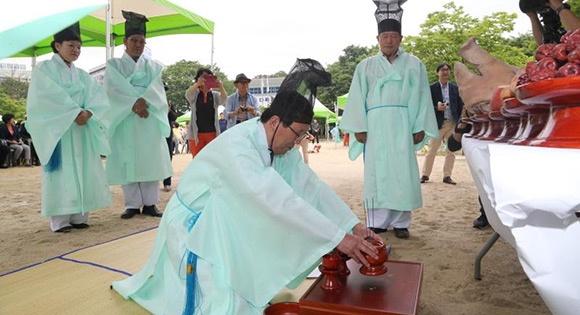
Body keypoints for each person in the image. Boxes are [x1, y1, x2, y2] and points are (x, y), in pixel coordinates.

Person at [111, 90, 382, 314]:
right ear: (276, 122)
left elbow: (311, 187)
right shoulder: (238, 149)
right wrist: (337, 238)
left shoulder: (276, 144)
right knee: (229, 305)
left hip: (227, 217)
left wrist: (352, 226)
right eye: (298, 134)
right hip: (196, 229)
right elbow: (275, 200)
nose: (299, 141)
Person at [340, 0, 438, 239]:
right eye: (385, 36)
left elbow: (423, 96)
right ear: (378, 39)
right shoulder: (365, 66)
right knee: (377, 170)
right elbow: (357, 98)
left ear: (401, 38)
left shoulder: (415, 64)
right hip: (374, 125)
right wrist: (359, 127)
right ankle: (378, 221)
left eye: (394, 36)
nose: (389, 40)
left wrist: (419, 126)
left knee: (402, 170)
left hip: (403, 123)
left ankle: (402, 221)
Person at [25, 22, 111, 233]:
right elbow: (46, 97)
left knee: (84, 169)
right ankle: (61, 219)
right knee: (63, 172)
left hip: (82, 129)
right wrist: (74, 112)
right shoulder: (43, 70)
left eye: (79, 47)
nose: (76, 50)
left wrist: (88, 112)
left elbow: (98, 97)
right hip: (60, 130)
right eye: (71, 45)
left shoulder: (82, 74)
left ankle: (80, 215)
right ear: (57, 45)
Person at [104, 11, 171, 220]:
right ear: (125, 41)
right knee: (128, 157)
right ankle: (132, 204)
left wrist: (144, 102)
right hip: (126, 119)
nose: (138, 45)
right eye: (134, 40)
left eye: (141, 41)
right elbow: (113, 89)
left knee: (149, 158)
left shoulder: (153, 66)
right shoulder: (114, 65)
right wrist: (134, 103)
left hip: (148, 118)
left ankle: (150, 203)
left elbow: (157, 90)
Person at [420, 63, 464, 185]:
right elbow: (425, 105)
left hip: (452, 123)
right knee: (432, 149)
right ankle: (425, 174)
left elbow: (460, 106)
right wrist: (436, 108)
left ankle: (447, 176)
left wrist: (460, 122)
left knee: (451, 150)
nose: (445, 72)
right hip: (437, 123)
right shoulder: (432, 88)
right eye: (442, 70)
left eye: (447, 70)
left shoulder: (455, 88)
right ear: (437, 72)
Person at [446, 120, 489, 229]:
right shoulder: (471, 114)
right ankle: (486, 214)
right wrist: (462, 123)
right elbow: (453, 145)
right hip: (484, 157)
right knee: (484, 183)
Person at [185, 68, 227, 159]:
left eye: (208, 77)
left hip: (212, 132)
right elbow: (188, 94)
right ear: (197, 78)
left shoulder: (214, 94)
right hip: (196, 134)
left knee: (212, 159)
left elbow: (223, 99)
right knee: (197, 159)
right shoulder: (195, 94)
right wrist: (197, 84)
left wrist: (221, 87)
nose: (205, 79)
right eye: (203, 77)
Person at [163, 98, 178, 193]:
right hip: (155, 135)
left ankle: (167, 182)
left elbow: (174, 117)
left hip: (167, 136)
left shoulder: (169, 103)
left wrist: (168, 110)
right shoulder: (152, 100)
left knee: (168, 159)